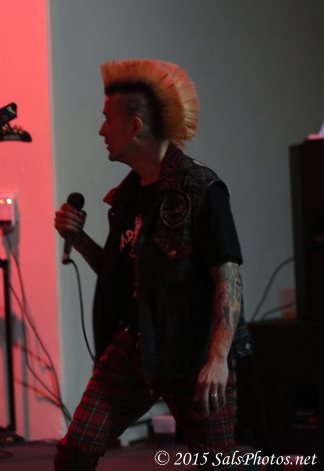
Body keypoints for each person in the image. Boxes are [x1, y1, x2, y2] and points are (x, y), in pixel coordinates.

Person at [53, 60, 252, 470]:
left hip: (193, 348)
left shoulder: (200, 189)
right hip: (137, 345)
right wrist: (79, 240)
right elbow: (120, 275)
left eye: (107, 119)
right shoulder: (126, 198)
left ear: (136, 125)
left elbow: (228, 278)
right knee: (75, 451)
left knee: (219, 462)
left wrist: (217, 358)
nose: (101, 130)